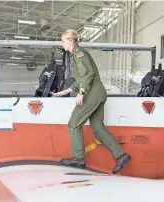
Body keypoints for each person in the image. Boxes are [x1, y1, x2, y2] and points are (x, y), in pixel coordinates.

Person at [54, 29, 131, 174]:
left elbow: (87, 74)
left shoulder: (78, 53)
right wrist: (65, 91)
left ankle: (78, 158)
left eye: (63, 40)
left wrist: (82, 92)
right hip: (99, 93)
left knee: (73, 124)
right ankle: (121, 156)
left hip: (92, 93)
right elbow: (81, 79)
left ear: (71, 40)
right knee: (98, 128)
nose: (62, 43)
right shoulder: (77, 55)